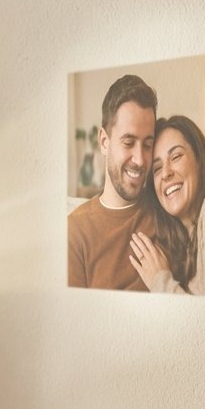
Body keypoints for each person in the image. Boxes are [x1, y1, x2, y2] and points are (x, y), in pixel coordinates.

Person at [128, 114, 205, 296]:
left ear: (199, 159)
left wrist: (160, 281)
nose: (165, 173)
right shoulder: (186, 246)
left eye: (176, 156)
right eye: (157, 168)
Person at [68, 74, 158, 290]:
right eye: (128, 142)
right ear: (104, 142)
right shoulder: (76, 231)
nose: (139, 159)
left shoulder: (167, 212)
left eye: (147, 145)